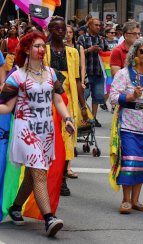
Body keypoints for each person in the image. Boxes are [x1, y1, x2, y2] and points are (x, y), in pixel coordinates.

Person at [0, 31, 75, 237]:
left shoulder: (51, 74)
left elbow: (58, 100)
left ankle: (16, 207)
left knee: (34, 176)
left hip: (46, 132)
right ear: (26, 49)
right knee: (39, 172)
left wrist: (68, 118)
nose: (41, 50)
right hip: (26, 131)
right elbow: (6, 107)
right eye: (36, 46)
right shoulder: (16, 76)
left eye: (43, 46)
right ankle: (49, 218)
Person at [109, 37, 143, 214]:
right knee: (130, 161)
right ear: (135, 53)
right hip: (129, 124)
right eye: (142, 51)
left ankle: (136, 200)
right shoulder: (123, 74)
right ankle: (125, 200)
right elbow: (113, 97)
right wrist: (131, 97)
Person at [46, 16, 88, 195]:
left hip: (68, 101)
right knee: (49, 139)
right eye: (57, 29)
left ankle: (62, 179)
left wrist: (83, 105)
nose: (61, 32)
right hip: (47, 101)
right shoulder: (44, 50)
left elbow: (78, 80)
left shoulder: (73, 52)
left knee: (66, 141)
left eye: (63, 29)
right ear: (50, 30)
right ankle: (46, 177)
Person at [77, 18, 108, 127]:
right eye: (96, 25)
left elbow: (107, 53)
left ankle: (93, 118)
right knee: (83, 97)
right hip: (86, 73)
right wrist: (88, 50)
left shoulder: (102, 39)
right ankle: (84, 116)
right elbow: (77, 53)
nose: (98, 27)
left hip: (99, 72)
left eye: (99, 25)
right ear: (89, 26)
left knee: (97, 97)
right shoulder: (82, 38)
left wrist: (102, 51)